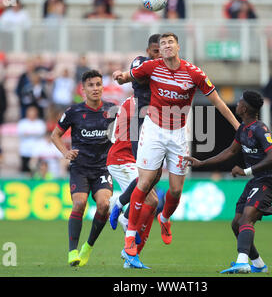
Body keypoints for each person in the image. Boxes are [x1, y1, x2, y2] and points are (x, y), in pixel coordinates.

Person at [113, 32, 240, 268]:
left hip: (179, 133)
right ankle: (130, 238)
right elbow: (127, 78)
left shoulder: (194, 73)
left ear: (178, 46)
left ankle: (165, 217)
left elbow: (218, 102)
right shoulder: (151, 67)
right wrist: (119, 77)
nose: (167, 46)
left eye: (170, 42)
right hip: (153, 130)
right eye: (163, 44)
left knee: (176, 190)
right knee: (145, 181)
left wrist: (238, 127)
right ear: (159, 50)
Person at [185, 91, 272, 274]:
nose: (237, 104)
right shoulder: (243, 129)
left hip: (269, 181)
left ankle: (242, 262)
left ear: (244, 108)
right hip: (256, 181)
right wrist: (202, 162)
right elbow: (230, 152)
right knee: (236, 223)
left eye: (239, 102)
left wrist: (245, 171)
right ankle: (259, 265)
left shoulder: (260, 129)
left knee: (247, 218)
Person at [107, 34, 163, 268]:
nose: (158, 54)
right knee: (148, 188)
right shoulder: (141, 64)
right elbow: (135, 74)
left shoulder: (163, 70)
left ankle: (132, 254)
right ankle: (119, 205)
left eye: (160, 51)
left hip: (152, 132)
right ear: (148, 50)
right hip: (130, 140)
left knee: (153, 194)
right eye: (155, 50)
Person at [51, 70, 116, 267]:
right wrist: (65, 152)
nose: (95, 88)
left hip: (103, 168)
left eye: (98, 84)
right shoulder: (73, 112)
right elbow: (55, 135)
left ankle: (87, 247)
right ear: (83, 89)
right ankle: (72, 252)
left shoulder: (113, 110)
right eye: (91, 85)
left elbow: (124, 136)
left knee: (104, 205)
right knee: (79, 204)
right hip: (80, 168)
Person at [17, 106, 46, 173]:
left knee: (37, 170)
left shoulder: (40, 123)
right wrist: (34, 133)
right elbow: (22, 133)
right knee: (25, 170)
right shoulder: (22, 123)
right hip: (25, 151)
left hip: (37, 151)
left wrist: (28, 133)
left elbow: (41, 132)